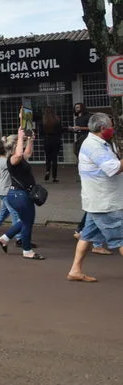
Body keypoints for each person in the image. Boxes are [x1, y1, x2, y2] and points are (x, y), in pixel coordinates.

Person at [67, 113, 123, 282]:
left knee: (86, 236)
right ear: (102, 128)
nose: (112, 130)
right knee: (120, 238)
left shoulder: (98, 143)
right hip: (105, 203)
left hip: (98, 201)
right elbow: (113, 168)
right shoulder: (94, 147)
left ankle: (75, 271)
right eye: (110, 127)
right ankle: (75, 271)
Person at [0, 130, 44, 259]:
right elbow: (19, 154)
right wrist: (21, 136)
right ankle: (27, 251)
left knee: (25, 220)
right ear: (14, 146)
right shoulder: (12, 159)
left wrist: (30, 140)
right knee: (27, 222)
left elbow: (27, 153)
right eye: (19, 143)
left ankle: (4, 238)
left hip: (21, 195)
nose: (21, 144)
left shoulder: (20, 158)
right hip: (19, 196)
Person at [42, 106, 63, 183]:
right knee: (54, 159)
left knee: (48, 158)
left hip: (47, 139)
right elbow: (60, 130)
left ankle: (47, 171)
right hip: (55, 139)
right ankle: (54, 177)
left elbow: (41, 132)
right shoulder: (57, 119)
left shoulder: (43, 120)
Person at [72, 103, 91, 181]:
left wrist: (80, 128)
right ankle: (81, 175)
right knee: (79, 156)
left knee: (86, 157)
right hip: (79, 138)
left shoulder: (88, 116)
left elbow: (91, 127)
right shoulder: (77, 118)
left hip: (86, 138)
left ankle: (87, 175)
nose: (76, 109)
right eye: (75, 107)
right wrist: (75, 129)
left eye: (78, 107)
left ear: (82, 107)